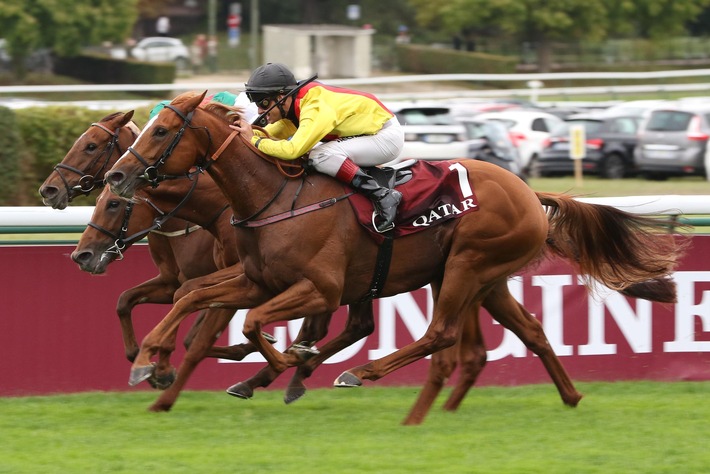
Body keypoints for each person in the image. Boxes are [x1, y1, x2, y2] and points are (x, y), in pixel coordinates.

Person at [231, 63, 404, 233]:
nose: (260, 111)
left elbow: (293, 150)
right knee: (317, 154)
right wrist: (247, 135)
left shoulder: (314, 106)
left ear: (282, 96)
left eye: (264, 103)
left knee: (320, 155)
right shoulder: (295, 105)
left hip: (385, 136)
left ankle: (383, 195)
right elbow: (267, 134)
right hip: (367, 134)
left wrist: (254, 141)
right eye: (257, 104)